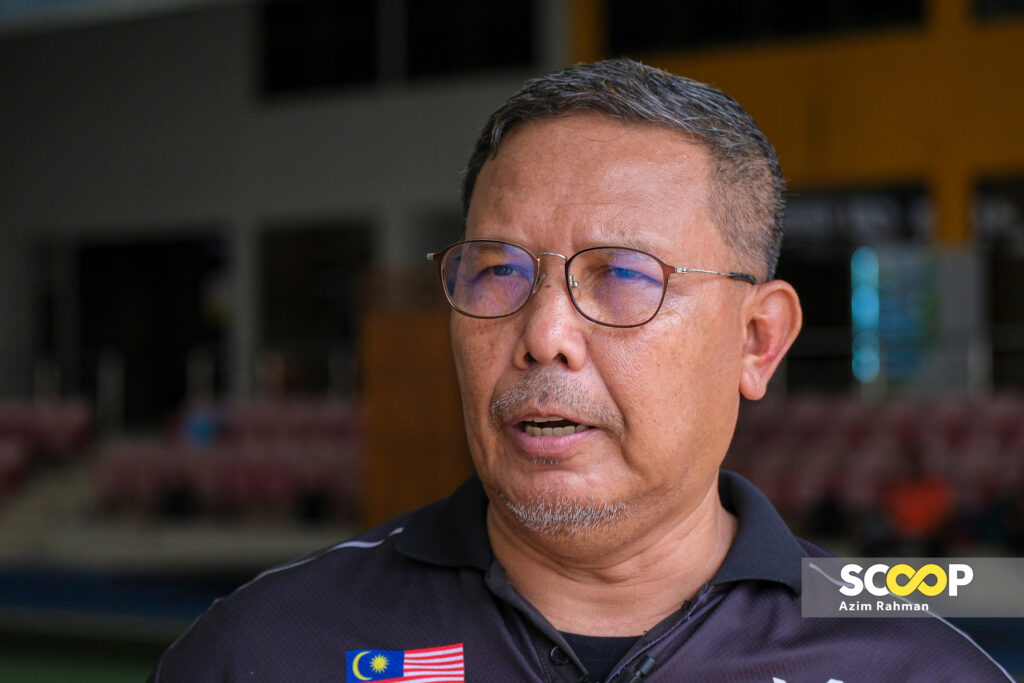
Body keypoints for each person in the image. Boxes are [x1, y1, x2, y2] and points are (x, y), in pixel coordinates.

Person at [149, 59, 1011, 682]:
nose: (545, 334)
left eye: (625, 275)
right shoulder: (261, 652)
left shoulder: (915, 663)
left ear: (758, 340)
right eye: (497, 270)